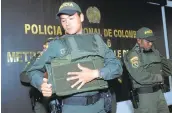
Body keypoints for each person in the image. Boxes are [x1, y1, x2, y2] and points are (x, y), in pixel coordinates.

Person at [26, 1, 123, 113]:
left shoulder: (97, 41)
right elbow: (33, 71)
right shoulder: (56, 45)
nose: (67, 23)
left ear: (81, 17)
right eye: (63, 20)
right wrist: (41, 84)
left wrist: (95, 74)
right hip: (71, 108)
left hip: (100, 106)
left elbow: (117, 67)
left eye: (71, 18)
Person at [123, 27, 172, 113]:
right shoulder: (133, 55)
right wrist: (159, 77)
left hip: (159, 94)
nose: (150, 44)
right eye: (147, 41)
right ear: (139, 40)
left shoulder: (155, 52)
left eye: (152, 41)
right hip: (145, 97)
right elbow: (140, 76)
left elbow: (167, 68)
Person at [20, 37, 56, 113]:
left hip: (58, 99)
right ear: (44, 47)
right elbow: (24, 76)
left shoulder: (62, 57)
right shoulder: (38, 57)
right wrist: (39, 78)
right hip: (41, 99)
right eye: (48, 46)